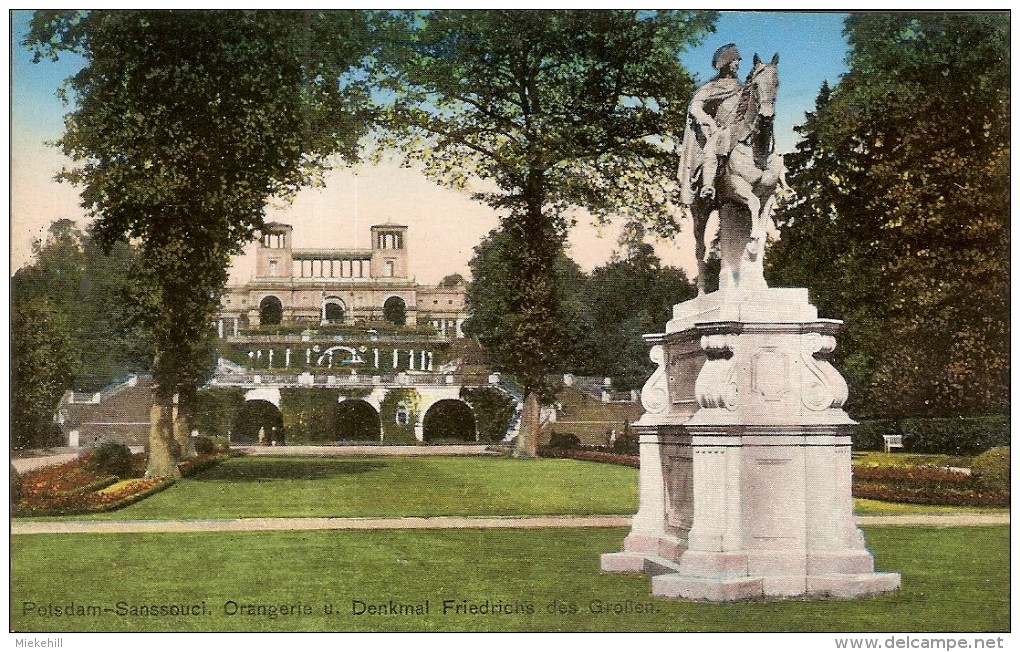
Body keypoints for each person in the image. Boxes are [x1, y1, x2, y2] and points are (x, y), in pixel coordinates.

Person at [678, 43, 745, 204]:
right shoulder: (710, 87)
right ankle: (708, 186)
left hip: (740, 131)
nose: (738, 64)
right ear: (726, 63)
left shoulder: (742, 88)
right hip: (720, 131)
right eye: (735, 60)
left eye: (738, 60)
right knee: (712, 150)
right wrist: (709, 123)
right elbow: (695, 107)